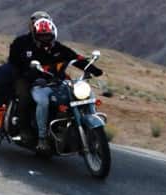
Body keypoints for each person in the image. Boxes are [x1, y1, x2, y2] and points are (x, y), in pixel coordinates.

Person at [7, 14, 102, 153]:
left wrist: (93, 69)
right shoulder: (23, 44)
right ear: (35, 33)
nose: (45, 39)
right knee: (41, 101)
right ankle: (41, 137)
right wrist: (29, 72)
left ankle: (83, 127)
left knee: (81, 92)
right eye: (42, 36)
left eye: (48, 36)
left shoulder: (58, 48)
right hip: (34, 83)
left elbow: (75, 58)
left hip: (55, 81)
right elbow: (16, 62)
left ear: (53, 33)